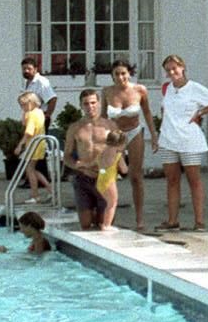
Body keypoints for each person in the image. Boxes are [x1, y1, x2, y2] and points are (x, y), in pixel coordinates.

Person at [154, 55, 208, 232]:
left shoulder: (194, 88)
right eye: (168, 70)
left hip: (189, 140)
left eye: (174, 68)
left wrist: (200, 113)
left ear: (182, 67)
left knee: (194, 181)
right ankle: (172, 220)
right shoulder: (167, 88)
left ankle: (199, 221)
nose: (172, 72)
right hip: (168, 139)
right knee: (172, 180)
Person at [103, 59, 153, 231]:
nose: (120, 77)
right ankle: (110, 216)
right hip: (115, 134)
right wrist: (101, 139)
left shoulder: (140, 90)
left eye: (123, 73)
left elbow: (147, 113)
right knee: (109, 176)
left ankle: (139, 219)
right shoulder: (107, 91)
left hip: (134, 132)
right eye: (116, 74)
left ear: (129, 73)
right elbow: (103, 117)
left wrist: (154, 136)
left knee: (136, 176)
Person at [63, 89, 113, 230]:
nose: (90, 106)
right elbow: (66, 156)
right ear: (81, 105)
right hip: (83, 178)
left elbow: (119, 150)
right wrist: (78, 165)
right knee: (85, 224)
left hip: (103, 177)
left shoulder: (109, 125)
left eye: (93, 103)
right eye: (86, 103)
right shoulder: (75, 128)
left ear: (98, 103)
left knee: (103, 224)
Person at [15, 91, 50, 203]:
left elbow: (28, 132)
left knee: (30, 169)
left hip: (33, 144)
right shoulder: (39, 112)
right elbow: (25, 124)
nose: (22, 107)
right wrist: (24, 114)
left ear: (31, 103)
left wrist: (20, 145)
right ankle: (51, 190)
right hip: (39, 144)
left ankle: (35, 196)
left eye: (24, 105)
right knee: (32, 169)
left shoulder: (31, 115)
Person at [94, 126, 126, 230]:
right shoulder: (118, 155)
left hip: (100, 180)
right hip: (109, 180)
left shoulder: (102, 152)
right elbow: (125, 170)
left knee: (107, 202)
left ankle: (103, 223)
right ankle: (106, 225)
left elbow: (96, 163)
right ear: (120, 144)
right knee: (112, 203)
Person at [20, 56, 56, 123]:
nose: (26, 71)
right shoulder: (27, 82)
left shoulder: (41, 82)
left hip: (40, 118)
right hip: (30, 118)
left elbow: (52, 99)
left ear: (35, 69)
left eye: (29, 69)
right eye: (24, 69)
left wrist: (47, 117)